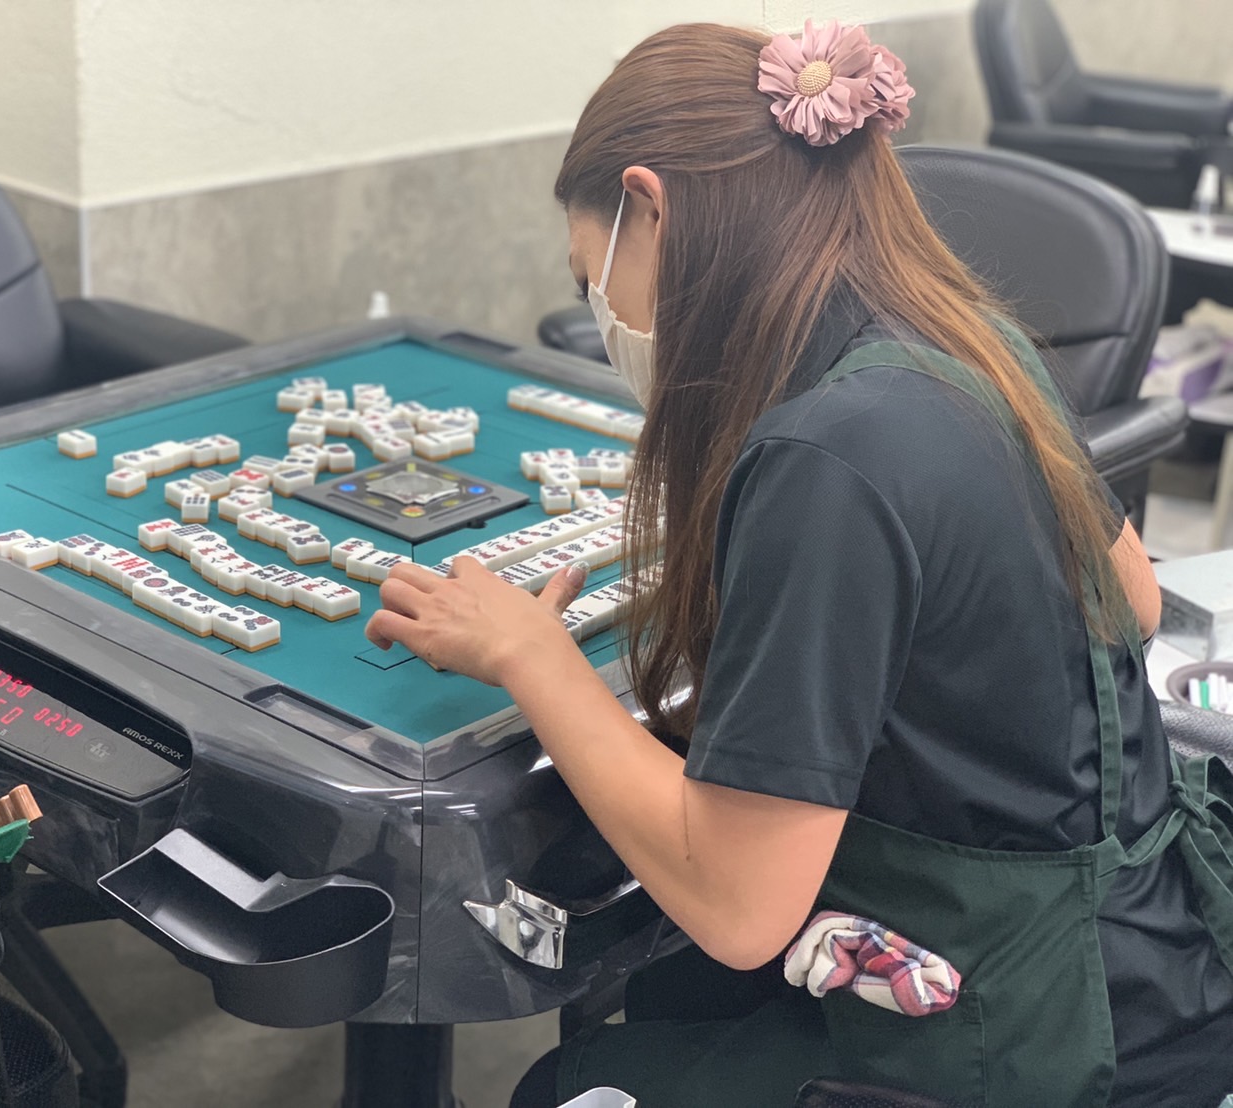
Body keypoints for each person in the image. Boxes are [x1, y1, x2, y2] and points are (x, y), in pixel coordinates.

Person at [365, 20, 1233, 1108]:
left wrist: (532, 654)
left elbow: (738, 910)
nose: (604, 314)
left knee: (567, 1084)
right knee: (676, 1000)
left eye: (593, 278)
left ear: (650, 208)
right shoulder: (966, 335)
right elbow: (1136, 601)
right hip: (1158, 951)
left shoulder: (825, 454)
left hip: (1046, 1043)